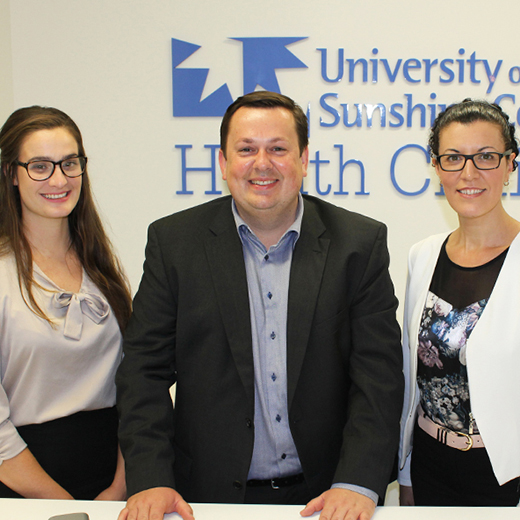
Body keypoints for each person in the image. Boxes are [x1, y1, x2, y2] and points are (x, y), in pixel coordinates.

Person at [116, 91, 403, 520]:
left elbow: (377, 376)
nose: (262, 163)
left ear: (304, 159)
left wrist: (357, 481)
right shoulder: (174, 243)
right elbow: (143, 372)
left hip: (327, 499)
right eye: (246, 149)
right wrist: (152, 477)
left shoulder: (358, 245)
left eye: (278, 149)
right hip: (204, 500)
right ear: (223, 162)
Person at [0, 106, 132, 500]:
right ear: (11, 173)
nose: (59, 179)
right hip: (24, 488)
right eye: (39, 166)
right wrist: (60, 505)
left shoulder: (102, 269)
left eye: (69, 163)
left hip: (112, 483)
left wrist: (120, 488)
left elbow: (134, 388)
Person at [398, 99, 520, 506]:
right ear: (437, 167)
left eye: (486, 157)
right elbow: (411, 378)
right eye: (453, 158)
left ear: (510, 165)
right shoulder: (423, 255)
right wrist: (405, 470)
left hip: (508, 475)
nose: (469, 173)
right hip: (431, 468)